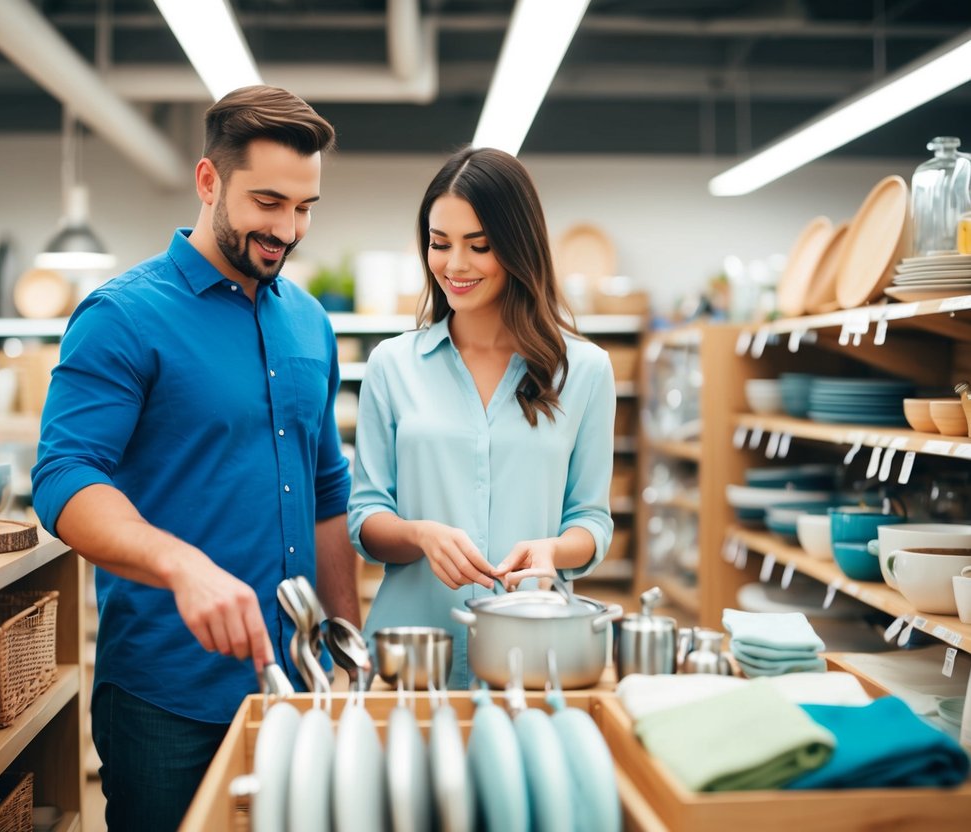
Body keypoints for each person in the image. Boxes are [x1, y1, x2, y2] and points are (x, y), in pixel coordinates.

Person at [31, 85, 359, 832]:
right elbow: (62, 478)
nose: (287, 229)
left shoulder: (310, 323)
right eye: (267, 202)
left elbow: (326, 494)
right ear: (208, 181)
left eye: (305, 207)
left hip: (297, 685)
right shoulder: (122, 316)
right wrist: (183, 565)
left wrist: (346, 650)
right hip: (165, 697)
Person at [347, 146, 616, 690]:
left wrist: (553, 551)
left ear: (518, 248)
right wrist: (420, 535)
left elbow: (592, 519)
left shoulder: (585, 371)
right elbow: (365, 518)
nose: (455, 265)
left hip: (535, 656)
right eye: (439, 244)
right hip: (413, 657)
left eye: (480, 246)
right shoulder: (392, 365)